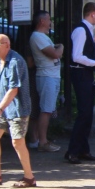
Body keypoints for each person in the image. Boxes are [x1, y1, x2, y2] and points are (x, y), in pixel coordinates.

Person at [0, 34, 36, 188]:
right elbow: (6, 86)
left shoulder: (15, 62)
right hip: (5, 107)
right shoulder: (0, 60)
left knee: (17, 141)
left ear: (6, 45)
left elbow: (14, 89)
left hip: (18, 108)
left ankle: (29, 178)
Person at [66, 2, 95, 165]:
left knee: (88, 114)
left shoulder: (87, 30)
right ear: (92, 13)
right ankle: (73, 151)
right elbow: (76, 56)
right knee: (84, 113)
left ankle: (83, 149)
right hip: (80, 73)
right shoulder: (80, 30)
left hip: (85, 73)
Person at [28, 10, 64, 152]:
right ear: (42, 21)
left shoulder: (42, 37)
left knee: (45, 109)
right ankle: (43, 141)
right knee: (46, 110)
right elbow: (55, 53)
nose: (50, 23)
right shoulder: (38, 36)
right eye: (48, 20)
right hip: (47, 76)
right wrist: (61, 46)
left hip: (51, 76)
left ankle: (38, 139)